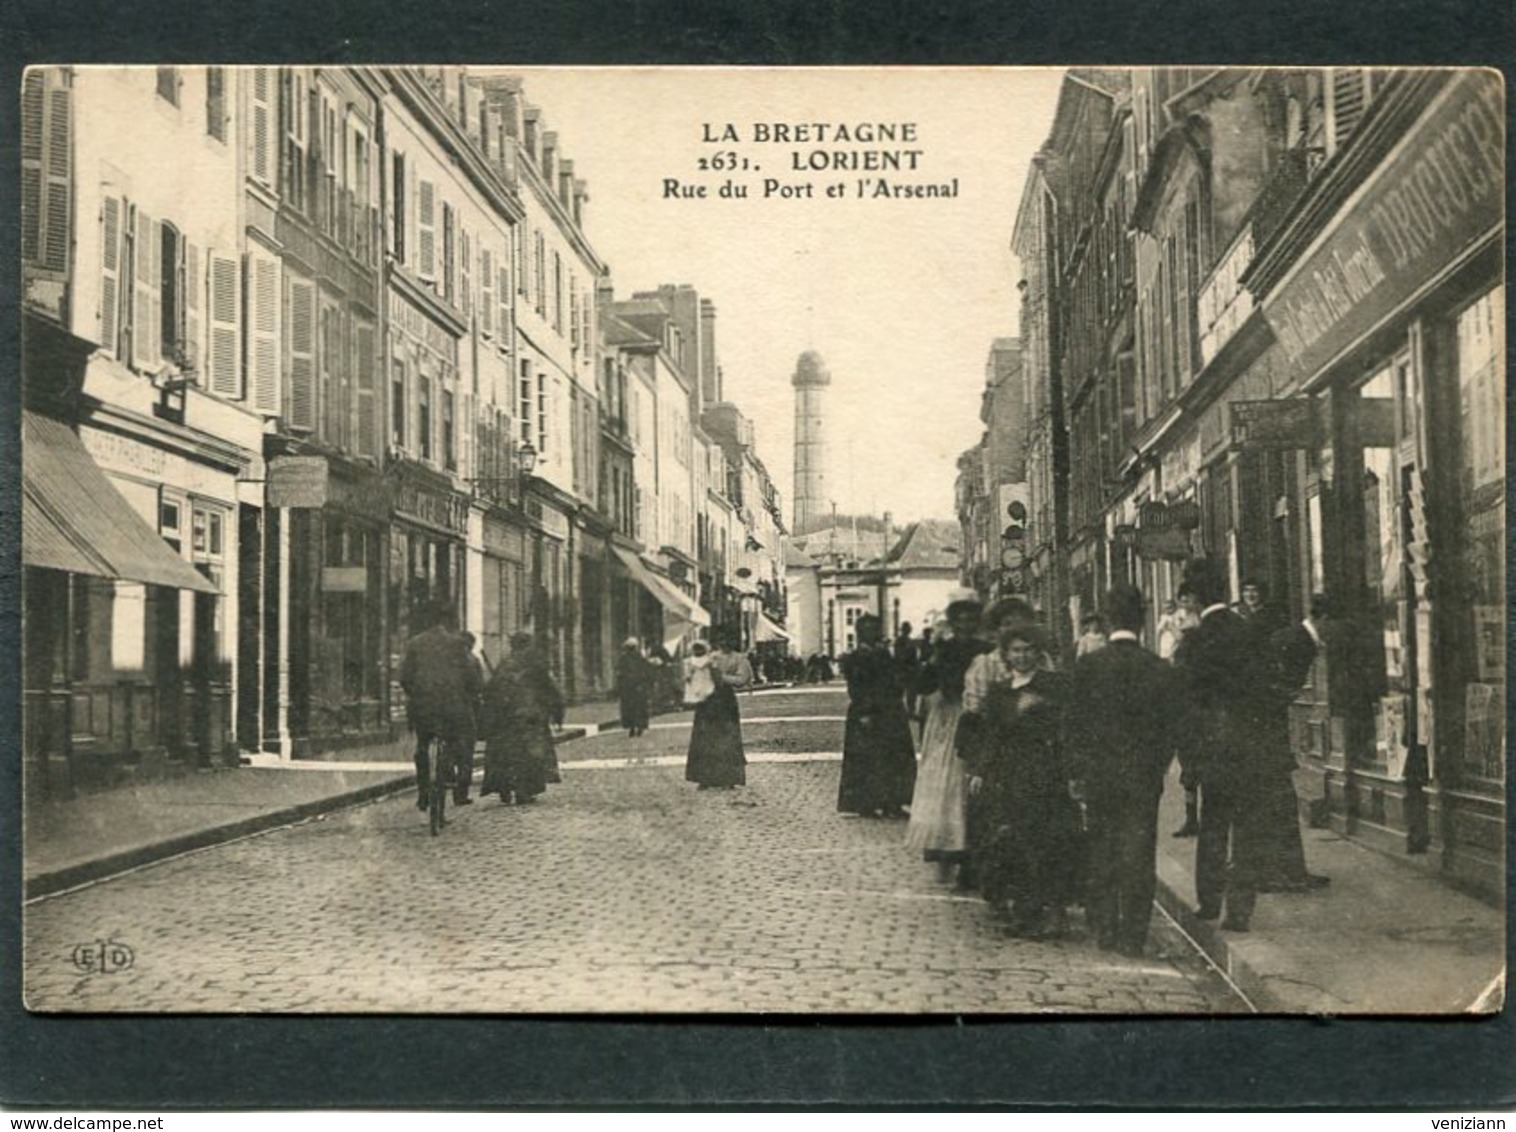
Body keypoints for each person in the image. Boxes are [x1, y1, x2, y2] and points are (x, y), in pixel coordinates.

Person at [1066, 585, 1187, 957]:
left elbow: (1073, 725)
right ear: (1142, 619)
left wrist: (1077, 773)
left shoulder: (1088, 667)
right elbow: (1172, 728)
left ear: (1107, 620)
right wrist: (1157, 767)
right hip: (1142, 779)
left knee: (1102, 848)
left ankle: (1105, 928)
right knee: (1138, 853)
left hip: (1099, 777)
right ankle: (1133, 937)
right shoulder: (1158, 669)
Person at [1173, 558, 1278, 932]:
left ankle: (1208, 901)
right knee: (1246, 828)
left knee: (1214, 823)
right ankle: (1240, 911)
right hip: (1249, 743)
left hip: (1211, 747)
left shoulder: (1194, 640)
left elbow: (1185, 702)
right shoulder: (1247, 630)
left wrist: (1189, 756)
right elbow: (1267, 691)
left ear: (1196, 598)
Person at [964, 620, 1081, 938]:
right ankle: (1026, 912)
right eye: (1016, 650)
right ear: (1006, 655)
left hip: (1048, 773)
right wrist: (980, 771)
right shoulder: (1000, 693)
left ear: (1038, 653)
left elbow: (1071, 726)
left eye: (1029, 650)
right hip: (1012, 776)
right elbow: (991, 737)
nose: (1023, 656)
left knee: (1051, 844)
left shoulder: (1055, 685)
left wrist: (1044, 707)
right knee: (1018, 845)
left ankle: (1056, 912)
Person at [905, 591, 991, 884]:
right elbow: (924, 683)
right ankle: (947, 849)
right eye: (960, 619)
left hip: (975, 718)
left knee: (972, 786)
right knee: (946, 785)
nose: (965, 624)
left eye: (971, 619)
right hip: (948, 720)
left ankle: (971, 856)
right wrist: (932, 660)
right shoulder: (944, 648)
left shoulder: (987, 648)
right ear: (953, 621)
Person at [1257, 595, 1333, 893]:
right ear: (1324, 620)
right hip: (1266, 736)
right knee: (1278, 804)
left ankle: (1285, 871)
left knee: (1280, 804)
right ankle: (1281, 874)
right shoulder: (1298, 642)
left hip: (1268, 734)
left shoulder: (1294, 637)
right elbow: (1271, 687)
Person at [399, 601, 482, 810]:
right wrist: (471, 693)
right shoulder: (457, 644)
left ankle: (423, 792)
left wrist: (415, 696)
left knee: (422, 747)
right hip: (452, 706)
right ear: (448, 622)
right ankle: (449, 776)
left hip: (423, 706)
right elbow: (471, 677)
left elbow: (405, 677)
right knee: (456, 742)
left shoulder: (415, 643)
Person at [837, 613, 917, 817]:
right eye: (867, 631)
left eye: (875, 630)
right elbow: (856, 687)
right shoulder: (855, 658)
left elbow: (896, 679)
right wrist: (864, 712)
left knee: (894, 757)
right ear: (860, 634)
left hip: (890, 711)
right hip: (867, 711)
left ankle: (894, 802)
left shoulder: (885, 654)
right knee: (868, 759)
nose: (872, 634)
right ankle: (867, 803)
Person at [480, 632, 564, 805]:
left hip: (505, 716)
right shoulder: (536, 664)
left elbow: (490, 690)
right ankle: (524, 789)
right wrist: (557, 712)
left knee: (505, 752)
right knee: (530, 753)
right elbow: (550, 689)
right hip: (530, 715)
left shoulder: (505, 664)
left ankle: (504, 785)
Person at [685, 634, 752, 790]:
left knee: (727, 738)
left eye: (728, 640)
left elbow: (742, 680)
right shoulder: (710, 657)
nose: (725, 643)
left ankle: (728, 777)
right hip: (707, 701)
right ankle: (704, 778)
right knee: (704, 738)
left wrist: (721, 678)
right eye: (722, 640)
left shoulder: (740, 659)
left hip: (725, 701)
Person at [1168, 583, 1204, 837]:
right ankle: (1192, 819)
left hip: (1194, 718)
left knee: (1193, 770)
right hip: (1190, 718)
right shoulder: (1182, 655)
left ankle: (1194, 819)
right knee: (1190, 772)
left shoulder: (1190, 655)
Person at [617, 638, 652, 738]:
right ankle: (640, 727)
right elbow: (647, 672)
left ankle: (632, 727)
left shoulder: (623, 659)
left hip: (628, 688)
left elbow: (620, 674)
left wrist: (620, 687)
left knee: (630, 708)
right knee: (640, 707)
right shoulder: (640, 658)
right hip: (639, 687)